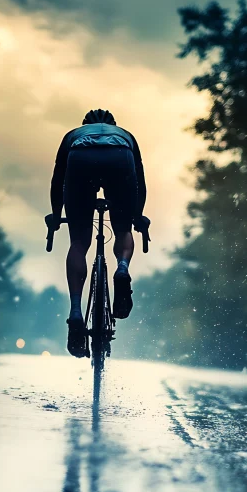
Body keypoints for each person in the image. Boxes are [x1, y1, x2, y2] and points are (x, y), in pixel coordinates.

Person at [49, 108, 148, 358]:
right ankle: (122, 268)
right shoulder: (125, 135)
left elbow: (58, 180)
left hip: (79, 160)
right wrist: (137, 215)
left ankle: (75, 311)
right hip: (120, 157)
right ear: (113, 124)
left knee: (79, 243)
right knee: (123, 229)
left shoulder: (73, 135)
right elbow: (140, 182)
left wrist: (56, 214)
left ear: (85, 125)